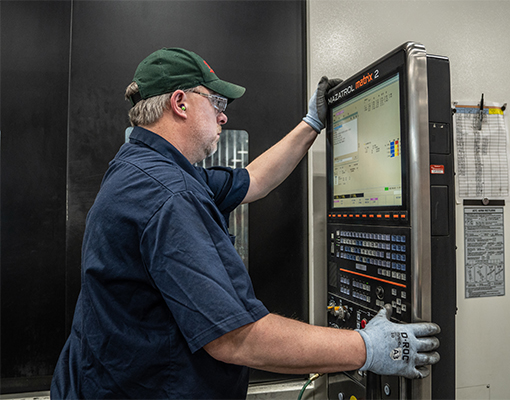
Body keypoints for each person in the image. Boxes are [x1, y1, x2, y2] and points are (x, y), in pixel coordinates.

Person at [50, 47, 441, 399]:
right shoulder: (168, 194)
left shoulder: (146, 167)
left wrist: (312, 123)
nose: (223, 114)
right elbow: (235, 337)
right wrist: (368, 348)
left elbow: (253, 181)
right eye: (216, 101)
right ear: (180, 103)